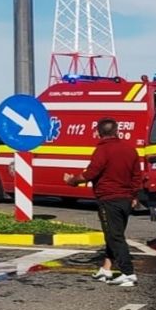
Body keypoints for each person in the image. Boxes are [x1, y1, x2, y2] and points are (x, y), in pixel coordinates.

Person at [64, 118, 141, 287]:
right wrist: (134, 196)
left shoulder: (102, 150)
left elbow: (91, 173)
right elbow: (137, 176)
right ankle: (106, 269)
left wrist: (72, 180)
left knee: (115, 237)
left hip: (109, 199)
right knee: (113, 234)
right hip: (126, 200)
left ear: (99, 132)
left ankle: (128, 273)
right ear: (116, 131)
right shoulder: (130, 149)